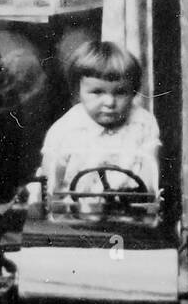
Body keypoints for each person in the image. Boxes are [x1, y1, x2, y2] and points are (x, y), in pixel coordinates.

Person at [39, 40, 160, 214]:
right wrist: (54, 203)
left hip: (127, 211)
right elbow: (50, 180)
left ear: (133, 92)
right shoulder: (65, 129)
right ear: (77, 91)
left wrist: (145, 201)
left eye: (120, 92)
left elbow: (150, 174)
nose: (110, 102)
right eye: (97, 92)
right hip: (75, 213)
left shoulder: (143, 124)